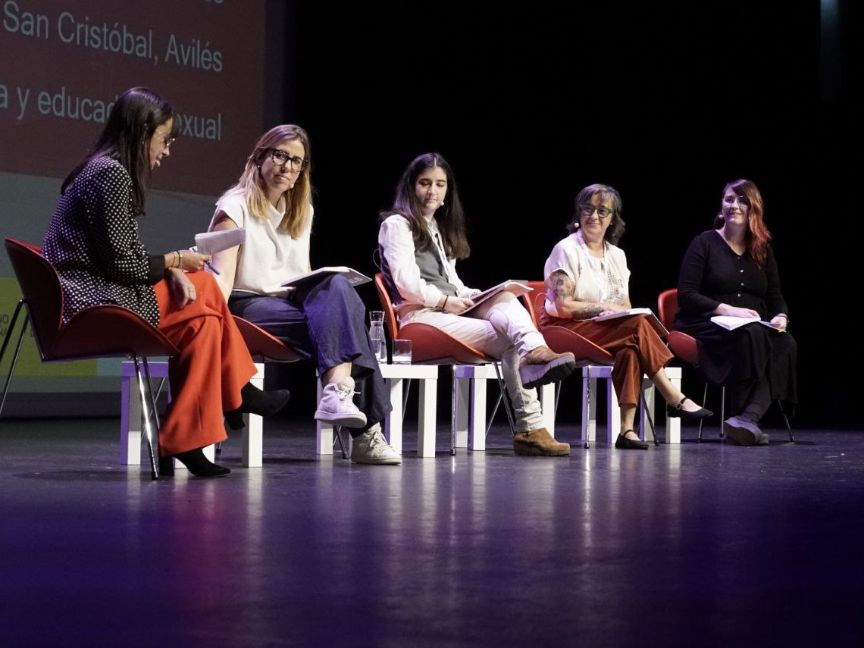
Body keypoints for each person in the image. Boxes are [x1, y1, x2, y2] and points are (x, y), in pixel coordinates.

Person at [41, 87, 289, 478]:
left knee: (202, 322)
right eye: (165, 139)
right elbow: (122, 264)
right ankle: (232, 396)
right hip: (90, 303)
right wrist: (174, 260)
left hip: (95, 292)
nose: (167, 150)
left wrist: (172, 268)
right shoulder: (111, 174)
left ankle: (198, 430)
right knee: (206, 289)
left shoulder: (102, 167)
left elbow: (121, 254)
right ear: (142, 133)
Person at [208, 125, 400, 465]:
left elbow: (303, 272)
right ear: (260, 158)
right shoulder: (233, 206)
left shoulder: (301, 210)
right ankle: (367, 433)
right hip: (246, 305)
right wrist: (213, 330)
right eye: (280, 155)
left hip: (288, 301)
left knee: (337, 287)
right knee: (350, 325)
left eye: (296, 161)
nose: (287, 166)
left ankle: (336, 393)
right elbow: (219, 280)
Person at [377, 152, 577, 457]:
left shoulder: (438, 229)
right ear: (411, 186)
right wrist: (444, 300)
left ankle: (535, 354)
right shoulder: (397, 225)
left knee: (505, 298)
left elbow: (451, 279)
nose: (432, 191)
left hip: (446, 308)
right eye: (425, 183)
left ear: (448, 191)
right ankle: (531, 425)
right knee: (511, 337)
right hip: (419, 317)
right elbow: (405, 281)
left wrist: (472, 294)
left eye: (440, 184)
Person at [541, 183, 712, 449]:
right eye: (587, 209)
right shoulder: (566, 249)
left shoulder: (617, 256)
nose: (593, 216)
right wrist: (603, 308)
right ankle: (672, 395)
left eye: (601, 210)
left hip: (604, 331)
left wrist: (616, 312)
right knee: (636, 328)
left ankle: (626, 430)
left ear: (612, 218)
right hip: (564, 329)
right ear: (578, 213)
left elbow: (625, 305)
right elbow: (563, 307)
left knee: (631, 347)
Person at [674, 179, 797, 446]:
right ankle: (742, 418)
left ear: (754, 208)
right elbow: (686, 294)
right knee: (750, 335)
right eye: (729, 199)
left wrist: (781, 318)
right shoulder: (704, 243)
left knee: (785, 343)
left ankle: (745, 420)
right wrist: (727, 309)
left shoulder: (762, 249)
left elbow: (775, 296)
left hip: (754, 325)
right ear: (721, 205)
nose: (735, 206)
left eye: (742, 200)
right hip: (707, 321)